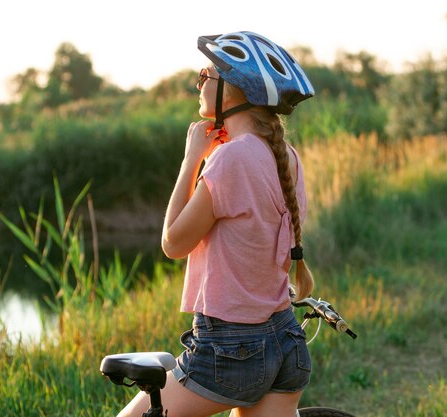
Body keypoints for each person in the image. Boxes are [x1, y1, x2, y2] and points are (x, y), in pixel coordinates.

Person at [118, 31, 316, 417]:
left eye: (205, 76)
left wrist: (192, 158)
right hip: (286, 341)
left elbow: (173, 243)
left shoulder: (229, 159)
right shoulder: (286, 156)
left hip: (231, 350)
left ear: (231, 90)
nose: (198, 83)